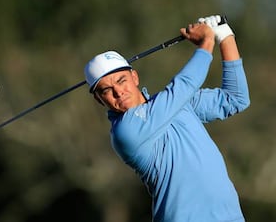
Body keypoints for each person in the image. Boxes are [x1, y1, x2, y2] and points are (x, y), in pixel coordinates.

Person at [84, 15, 250, 222]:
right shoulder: (125, 132)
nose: (118, 91)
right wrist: (206, 43)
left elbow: (235, 99)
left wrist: (224, 35)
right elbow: (185, 85)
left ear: (134, 77)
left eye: (121, 80)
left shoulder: (175, 104)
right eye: (107, 90)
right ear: (99, 100)